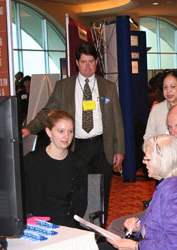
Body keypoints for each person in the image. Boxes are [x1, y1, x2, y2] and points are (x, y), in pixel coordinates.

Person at [22, 43, 125, 226]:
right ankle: (77, 227)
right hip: (77, 146)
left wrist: (119, 149)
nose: (88, 66)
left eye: (91, 62)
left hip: (102, 145)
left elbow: (117, 119)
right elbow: (47, 111)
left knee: (102, 192)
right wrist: (30, 128)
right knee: (79, 192)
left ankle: (99, 228)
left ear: (96, 63)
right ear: (77, 62)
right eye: (84, 62)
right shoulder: (64, 86)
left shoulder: (108, 87)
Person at [100, 134, 177, 250]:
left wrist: (135, 246)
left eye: (147, 159)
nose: (144, 162)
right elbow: (160, 223)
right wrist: (139, 226)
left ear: (163, 161)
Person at [24, 110, 87, 228]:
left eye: (70, 131)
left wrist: (68, 227)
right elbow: (24, 198)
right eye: (61, 131)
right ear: (49, 132)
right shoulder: (32, 161)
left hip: (67, 225)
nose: (66, 136)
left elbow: (81, 202)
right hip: (37, 224)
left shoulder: (78, 163)